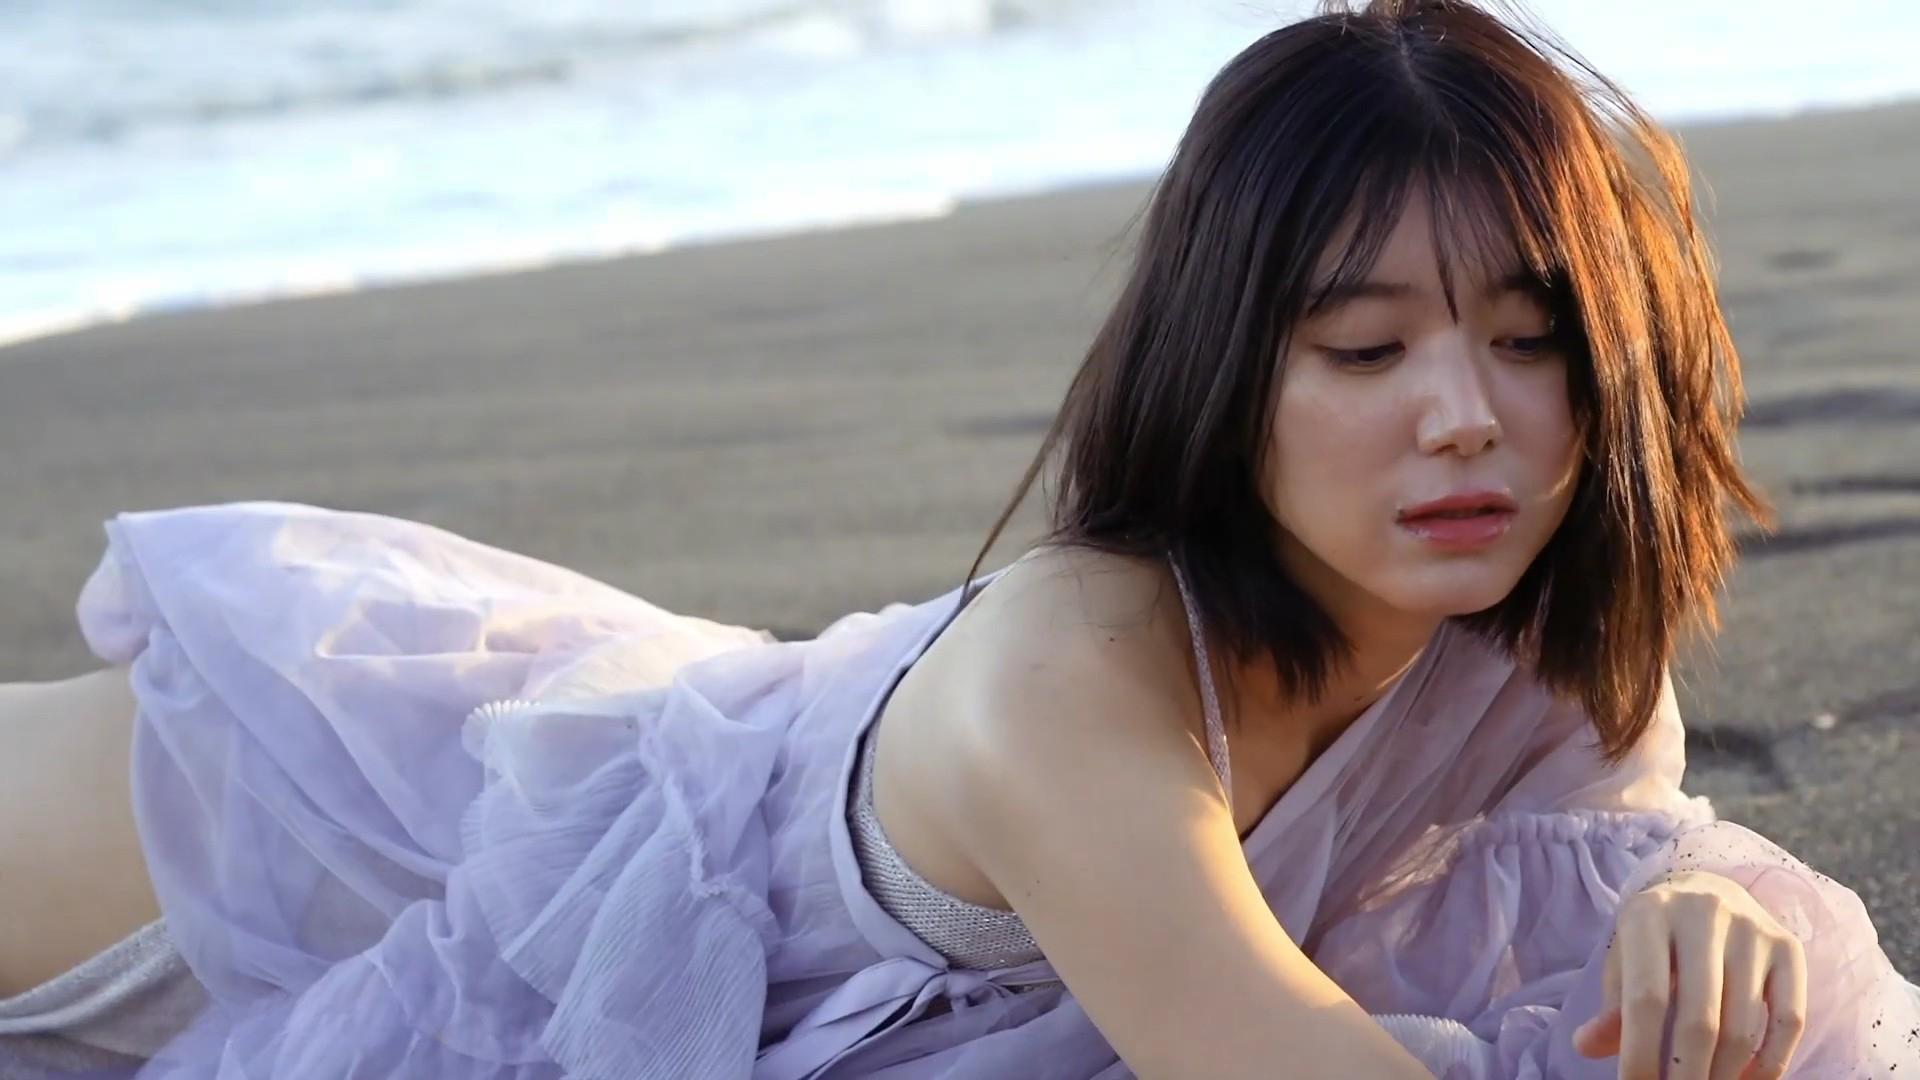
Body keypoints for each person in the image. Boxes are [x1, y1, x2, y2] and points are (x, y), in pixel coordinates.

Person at [2, 0, 1917, 1076]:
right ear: (1227, 370)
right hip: (291, 848)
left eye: (1531, 340)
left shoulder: (1532, 650)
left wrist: (1696, 908)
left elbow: (1613, 857)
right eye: (1365, 348)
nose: (1465, 415)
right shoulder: (1073, 675)